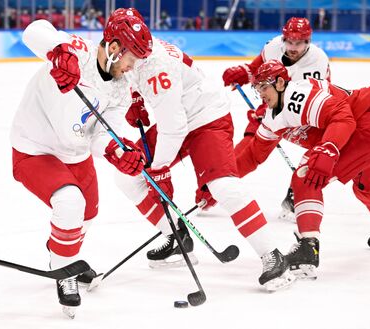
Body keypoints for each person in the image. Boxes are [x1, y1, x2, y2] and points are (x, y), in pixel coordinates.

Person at [114, 8, 295, 292]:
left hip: (207, 118)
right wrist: (135, 99)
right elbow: (136, 79)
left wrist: (159, 170)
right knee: (126, 175)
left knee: (223, 186)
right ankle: (175, 238)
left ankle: (273, 255)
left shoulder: (155, 66)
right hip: (177, 115)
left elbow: (173, 127)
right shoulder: (140, 51)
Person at [10, 12, 152, 318]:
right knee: (70, 202)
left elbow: (104, 130)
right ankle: (64, 272)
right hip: (35, 148)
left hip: (75, 153)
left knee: (88, 212)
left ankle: (62, 256)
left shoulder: (120, 87)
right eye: (132, 58)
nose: (132, 67)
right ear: (114, 48)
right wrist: (58, 52)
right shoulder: (77, 50)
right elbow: (35, 30)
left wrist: (117, 151)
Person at [234, 60, 370, 279]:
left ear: (280, 83)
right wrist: (220, 179)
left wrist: (329, 148)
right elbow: (253, 155)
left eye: (264, 86)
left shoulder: (297, 95)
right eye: (257, 88)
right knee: (368, 189)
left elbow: (343, 116)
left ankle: (308, 249)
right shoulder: (271, 117)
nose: (260, 93)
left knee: (305, 177)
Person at [222, 17, 331, 221]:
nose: (292, 47)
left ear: (308, 42)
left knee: (320, 146)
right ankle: (218, 185)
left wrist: (278, 112)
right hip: (272, 102)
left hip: (304, 112)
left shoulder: (318, 61)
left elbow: (311, 99)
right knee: (250, 147)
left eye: (298, 43)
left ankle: (296, 191)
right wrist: (242, 73)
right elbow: (255, 69)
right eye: (289, 41)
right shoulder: (273, 46)